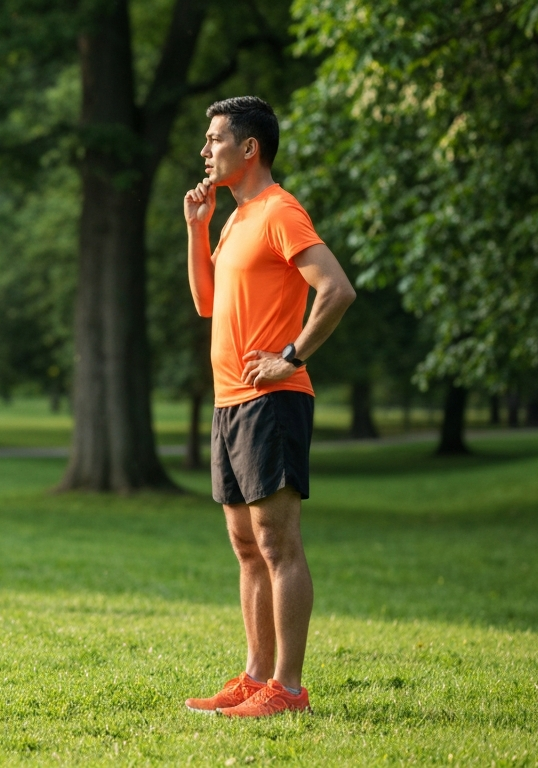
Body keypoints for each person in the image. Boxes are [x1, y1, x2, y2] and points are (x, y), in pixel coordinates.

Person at [182, 96, 355, 717]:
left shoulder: (280, 211)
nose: (205, 150)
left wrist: (292, 356)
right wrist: (197, 229)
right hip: (229, 401)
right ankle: (256, 675)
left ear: (248, 147)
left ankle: (288, 688)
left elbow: (336, 289)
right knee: (246, 545)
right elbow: (206, 304)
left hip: (272, 399)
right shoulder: (234, 219)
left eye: (213, 139)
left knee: (278, 544)